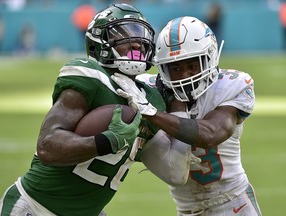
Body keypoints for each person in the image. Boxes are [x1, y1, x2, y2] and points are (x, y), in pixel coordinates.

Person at [0, 3, 166, 216]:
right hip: (36, 207)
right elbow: (47, 147)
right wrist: (107, 141)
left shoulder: (149, 98)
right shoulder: (91, 77)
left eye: (140, 36)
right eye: (127, 35)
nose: (138, 44)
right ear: (100, 42)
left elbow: (171, 166)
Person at [112, 16, 262, 216]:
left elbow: (212, 134)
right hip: (186, 209)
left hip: (234, 204)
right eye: (176, 68)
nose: (185, 75)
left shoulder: (231, 85)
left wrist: (152, 113)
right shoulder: (150, 91)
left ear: (209, 57)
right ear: (163, 69)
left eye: (192, 65)